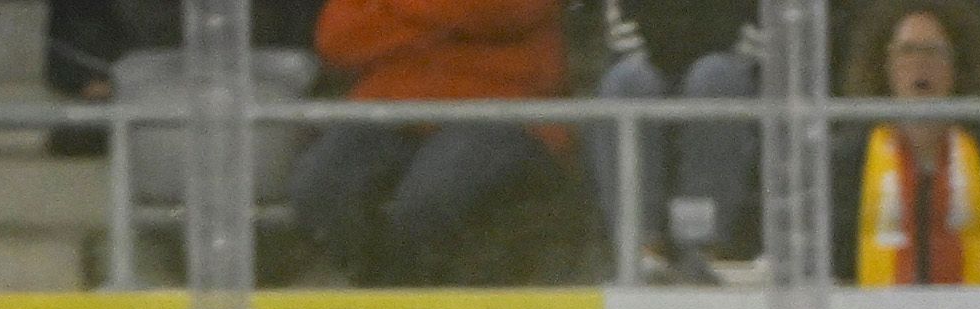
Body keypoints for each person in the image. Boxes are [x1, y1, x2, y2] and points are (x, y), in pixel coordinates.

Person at [293, 0, 570, 285]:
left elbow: (499, 11)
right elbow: (336, 37)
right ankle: (379, 303)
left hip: (502, 106)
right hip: (391, 103)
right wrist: (446, 23)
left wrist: (392, 13)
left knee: (429, 202)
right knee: (321, 186)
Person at [831, 0, 980, 286]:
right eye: (907, 51)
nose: (920, 64)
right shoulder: (846, 163)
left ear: (958, 65)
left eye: (933, 52)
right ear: (883, 65)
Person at [588, 0, 761, 284]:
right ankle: (642, 252)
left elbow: (762, 37)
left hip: (738, 74)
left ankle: (702, 249)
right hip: (650, 65)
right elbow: (623, 35)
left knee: (715, 79)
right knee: (628, 82)